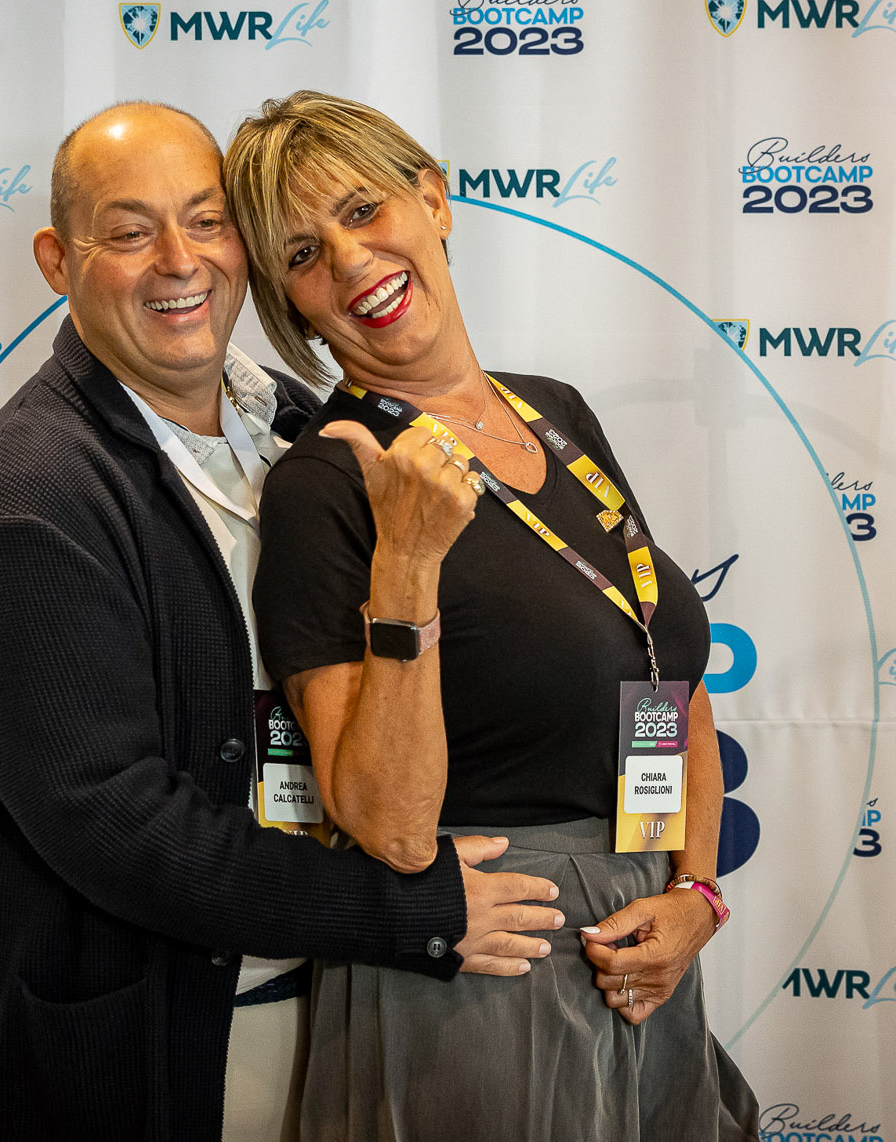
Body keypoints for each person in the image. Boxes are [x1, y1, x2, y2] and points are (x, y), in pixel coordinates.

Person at [0, 101, 566, 1141]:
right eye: (130, 232)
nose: (180, 260)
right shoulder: (32, 500)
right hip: (147, 1060)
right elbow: (119, 828)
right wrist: (412, 911)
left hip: (338, 1013)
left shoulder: (302, 426)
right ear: (57, 261)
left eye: (206, 222)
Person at [226, 91, 760, 1141]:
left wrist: (694, 890)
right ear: (290, 302)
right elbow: (382, 821)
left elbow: (662, 668)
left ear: (433, 199)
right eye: (302, 253)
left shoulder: (554, 410)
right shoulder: (323, 484)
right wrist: (409, 559)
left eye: (364, 209)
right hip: (478, 975)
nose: (350, 260)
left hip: (640, 944)